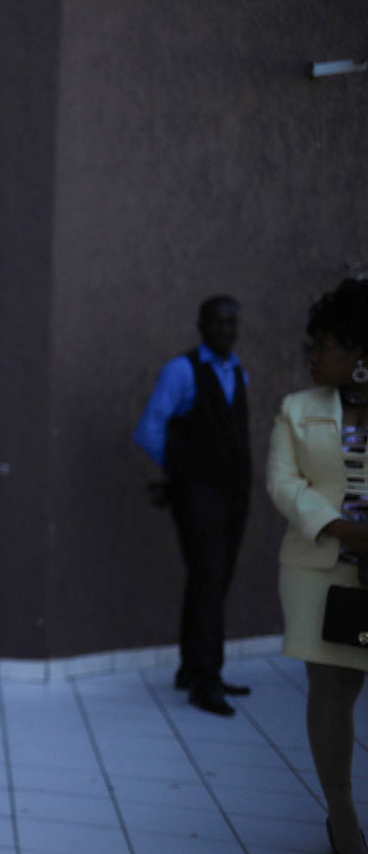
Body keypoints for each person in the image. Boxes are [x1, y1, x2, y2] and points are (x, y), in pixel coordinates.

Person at [265, 277, 368, 854]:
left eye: (326, 344)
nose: (313, 355)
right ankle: (342, 816)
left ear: (361, 354)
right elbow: (283, 483)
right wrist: (340, 527)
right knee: (332, 694)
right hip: (319, 574)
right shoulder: (297, 409)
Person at [133, 295, 253, 716]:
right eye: (218, 323)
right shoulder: (181, 371)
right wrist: (182, 471)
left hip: (233, 493)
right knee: (207, 577)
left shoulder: (238, 372)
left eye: (232, 323)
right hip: (197, 493)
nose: (226, 331)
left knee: (214, 581)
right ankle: (206, 681)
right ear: (201, 326)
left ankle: (191, 667)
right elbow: (149, 430)